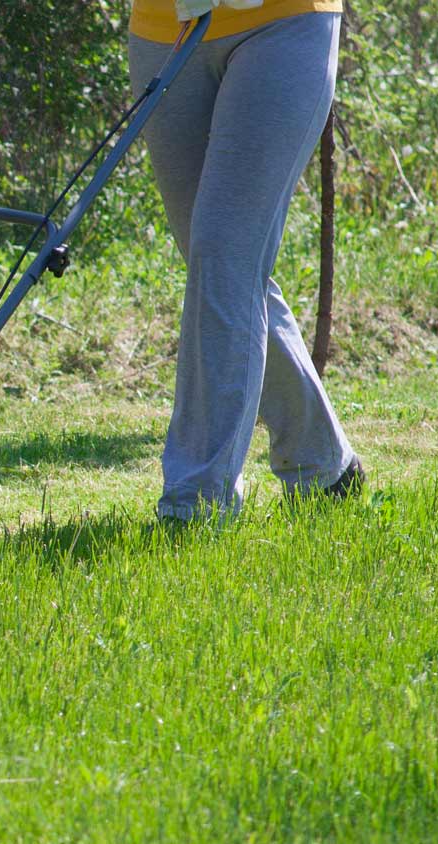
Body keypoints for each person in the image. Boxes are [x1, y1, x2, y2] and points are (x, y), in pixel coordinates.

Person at [127, 0, 364, 521]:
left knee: (223, 257)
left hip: (284, 21)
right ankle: (323, 463)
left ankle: (196, 503)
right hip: (163, 29)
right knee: (216, 261)